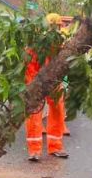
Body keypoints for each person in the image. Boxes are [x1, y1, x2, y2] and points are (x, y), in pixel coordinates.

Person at [24, 13, 68, 162]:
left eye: (59, 26)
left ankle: (55, 146)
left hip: (54, 81)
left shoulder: (62, 43)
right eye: (55, 26)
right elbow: (30, 64)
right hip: (38, 81)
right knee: (34, 114)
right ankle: (34, 150)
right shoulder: (38, 43)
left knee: (57, 111)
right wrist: (33, 84)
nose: (57, 29)